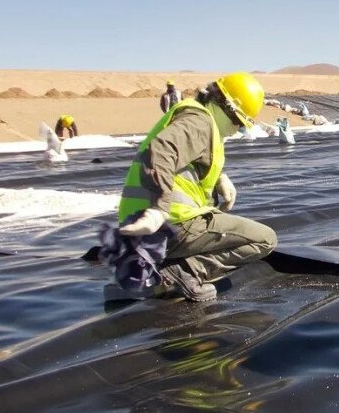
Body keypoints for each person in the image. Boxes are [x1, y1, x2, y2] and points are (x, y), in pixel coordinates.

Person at [114, 72, 277, 301]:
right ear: (226, 107)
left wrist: (219, 178)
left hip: (139, 226)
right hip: (168, 225)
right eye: (238, 122)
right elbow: (161, 151)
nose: (236, 130)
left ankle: (162, 266)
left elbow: (182, 158)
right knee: (265, 239)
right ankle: (185, 271)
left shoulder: (195, 115)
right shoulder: (200, 122)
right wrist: (158, 210)